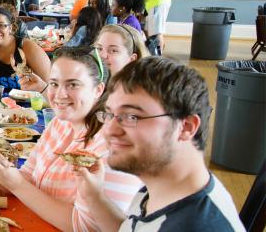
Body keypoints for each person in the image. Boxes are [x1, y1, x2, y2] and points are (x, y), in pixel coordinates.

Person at [0, 46, 142, 232]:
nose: (60, 95)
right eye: (54, 84)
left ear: (98, 90)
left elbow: (87, 227)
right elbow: (28, 178)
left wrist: (16, 184)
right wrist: (0, 177)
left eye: (73, 84)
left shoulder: (114, 147)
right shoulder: (59, 123)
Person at [75, 57, 244, 232]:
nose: (109, 131)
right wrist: (95, 196)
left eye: (132, 116)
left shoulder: (196, 225)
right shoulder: (165, 184)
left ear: (186, 126)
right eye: (109, 115)